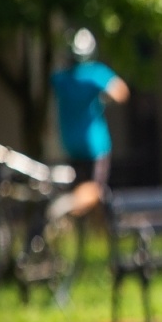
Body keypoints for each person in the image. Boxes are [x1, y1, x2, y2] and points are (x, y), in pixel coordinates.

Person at [48, 28, 128, 220]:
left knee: (83, 192)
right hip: (95, 146)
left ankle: (72, 209)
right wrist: (104, 98)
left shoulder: (61, 79)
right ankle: (66, 205)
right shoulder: (94, 74)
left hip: (70, 145)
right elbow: (121, 92)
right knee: (95, 189)